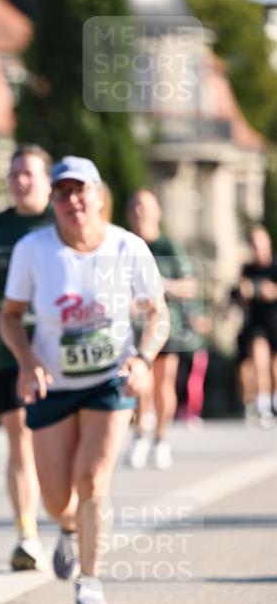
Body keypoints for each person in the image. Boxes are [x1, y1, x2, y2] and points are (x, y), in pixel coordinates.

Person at [0, 156, 169, 604]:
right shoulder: (33, 250)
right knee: (58, 499)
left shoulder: (127, 246)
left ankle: (90, 578)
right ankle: (69, 528)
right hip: (51, 383)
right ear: (52, 201)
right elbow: (9, 316)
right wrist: (26, 360)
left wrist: (143, 359)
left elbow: (158, 312)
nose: (72, 200)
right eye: (62, 193)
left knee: (93, 479)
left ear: (98, 195)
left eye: (81, 190)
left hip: (110, 380)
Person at [0, 144, 70, 572]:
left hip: (59, 352)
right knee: (20, 440)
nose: (19, 181)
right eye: (13, 174)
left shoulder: (60, 222)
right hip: (8, 350)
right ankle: (27, 535)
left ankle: (69, 525)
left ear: (47, 182)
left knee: (61, 445)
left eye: (28, 173)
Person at [125, 189, 202, 469]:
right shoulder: (124, 244)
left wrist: (159, 286)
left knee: (163, 384)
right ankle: (140, 435)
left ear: (158, 212)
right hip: (132, 327)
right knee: (140, 383)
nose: (140, 212)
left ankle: (161, 438)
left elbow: (190, 286)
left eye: (145, 206)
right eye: (135, 206)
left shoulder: (169, 247)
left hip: (166, 325)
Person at [231, 224, 277, 428]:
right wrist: (244, 292)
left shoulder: (274, 266)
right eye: (254, 245)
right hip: (257, 324)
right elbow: (238, 294)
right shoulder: (247, 269)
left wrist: (266, 290)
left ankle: (273, 402)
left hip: (274, 321)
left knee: (275, 367)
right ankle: (263, 406)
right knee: (259, 360)